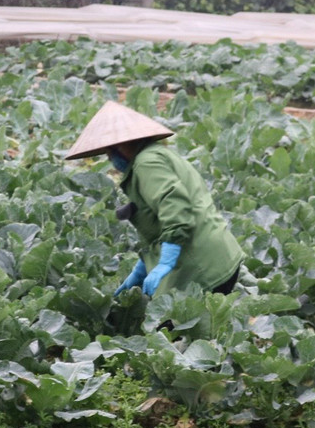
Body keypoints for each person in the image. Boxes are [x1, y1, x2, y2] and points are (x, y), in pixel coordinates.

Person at [66, 100, 243, 297]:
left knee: (172, 324)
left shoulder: (147, 163)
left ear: (122, 146)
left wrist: (165, 262)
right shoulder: (156, 155)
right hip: (215, 259)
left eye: (110, 153)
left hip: (202, 267)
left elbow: (175, 207)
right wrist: (142, 270)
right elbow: (159, 221)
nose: (111, 161)